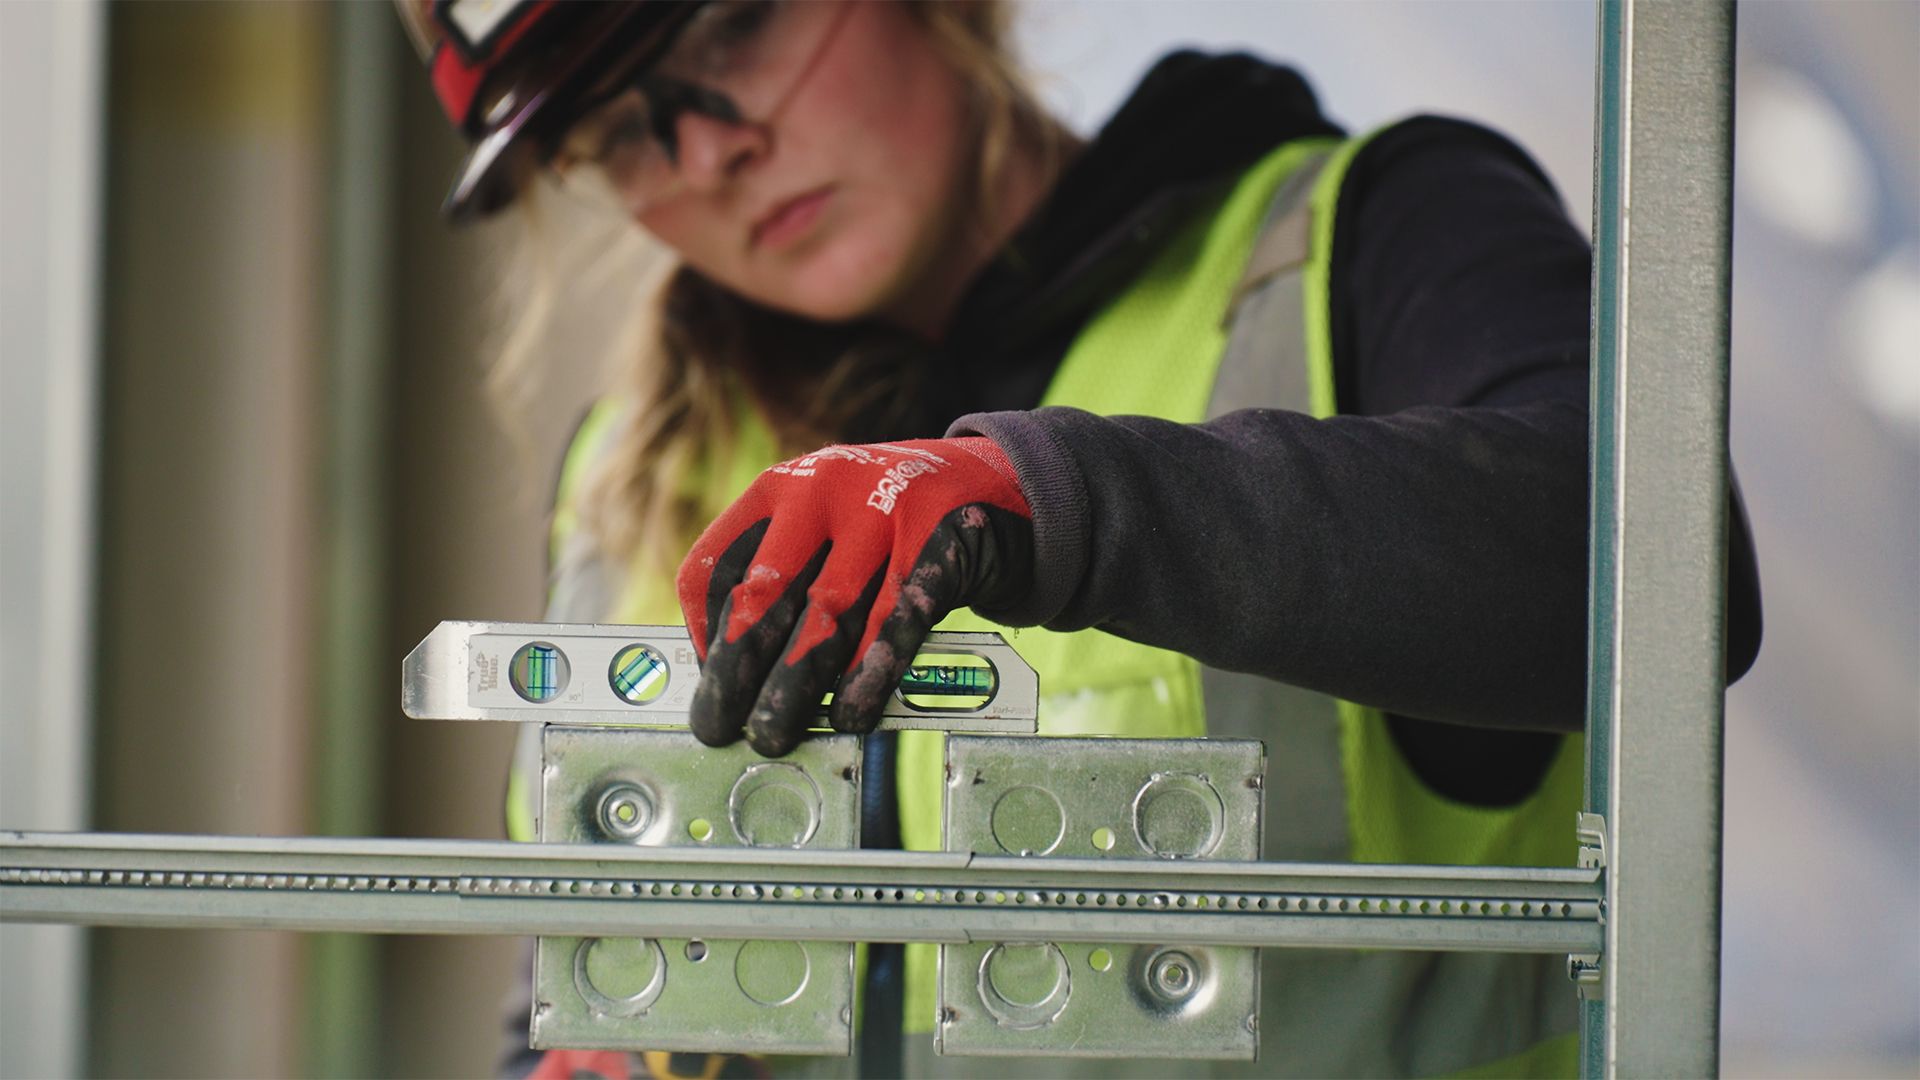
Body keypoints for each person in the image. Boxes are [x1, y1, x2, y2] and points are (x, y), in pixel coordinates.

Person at [399, 2, 1763, 1078]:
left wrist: (1055, 502)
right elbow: (564, 994)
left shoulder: (1372, 240)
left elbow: (1670, 570)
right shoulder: (630, 479)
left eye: (734, 21)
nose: (707, 149)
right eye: (619, 131)